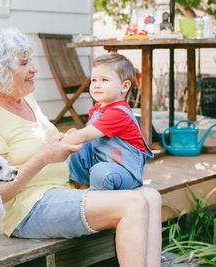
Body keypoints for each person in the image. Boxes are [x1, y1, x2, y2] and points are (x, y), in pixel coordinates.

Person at [0, 27, 162, 267]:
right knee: (133, 204)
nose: (34, 69)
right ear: (1, 71)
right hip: (28, 208)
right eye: (25, 64)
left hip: (64, 190)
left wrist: (62, 139)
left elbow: (38, 140)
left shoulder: (24, 98)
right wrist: (43, 158)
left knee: (151, 196)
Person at [61, 53, 153, 191]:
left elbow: (85, 135)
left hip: (125, 171)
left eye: (104, 80)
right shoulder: (98, 108)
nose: (97, 85)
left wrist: (58, 142)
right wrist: (73, 136)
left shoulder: (118, 113)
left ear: (124, 86)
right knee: (77, 148)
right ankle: (83, 187)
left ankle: (98, 200)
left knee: (100, 171)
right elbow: (87, 138)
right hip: (102, 161)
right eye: (94, 80)